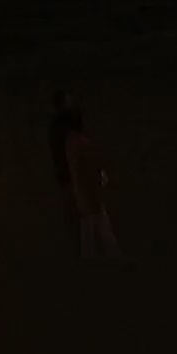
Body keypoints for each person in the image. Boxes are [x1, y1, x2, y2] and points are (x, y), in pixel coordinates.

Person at [49, 91, 120, 261]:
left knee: (89, 216)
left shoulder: (66, 133)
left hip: (76, 177)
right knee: (88, 215)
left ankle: (94, 254)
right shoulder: (67, 135)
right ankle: (95, 254)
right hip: (75, 177)